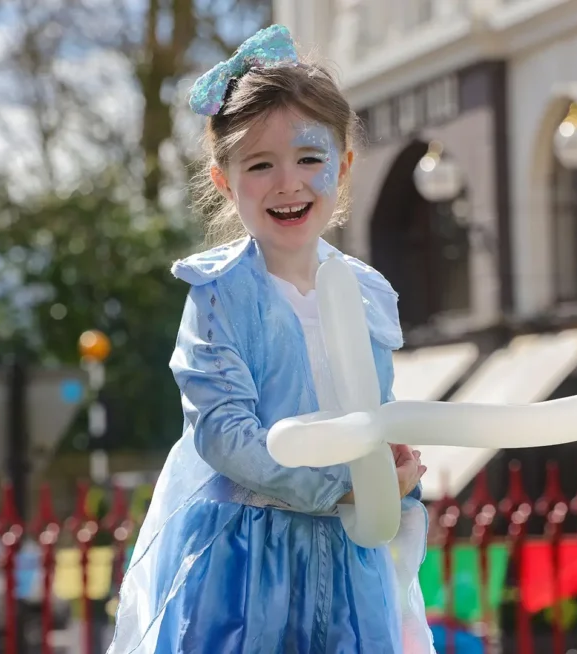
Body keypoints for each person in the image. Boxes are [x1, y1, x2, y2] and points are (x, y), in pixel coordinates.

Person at [107, 24, 434, 654]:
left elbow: (371, 408)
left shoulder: (367, 292)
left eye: (310, 158)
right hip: (245, 560)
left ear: (343, 166)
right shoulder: (220, 294)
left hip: (349, 559)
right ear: (225, 181)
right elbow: (224, 433)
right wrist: (340, 488)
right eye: (260, 165)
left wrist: (393, 466)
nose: (288, 183)